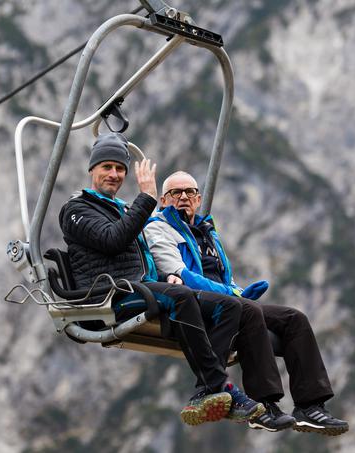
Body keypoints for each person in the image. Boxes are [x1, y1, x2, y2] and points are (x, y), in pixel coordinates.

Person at [58, 133, 264, 426]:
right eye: (106, 167)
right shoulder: (77, 210)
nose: (114, 174)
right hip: (109, 294)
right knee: (180, 298)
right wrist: (147, 198)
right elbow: (113, 240)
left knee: (228, 305)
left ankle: (207, 390)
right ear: (92, 169)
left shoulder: (122, 209)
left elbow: (141, 252)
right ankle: (220, 387)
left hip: (139, 285)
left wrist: (167, 274)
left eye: (120, 169)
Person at [144, 170, 350, 436]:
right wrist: (233, 294)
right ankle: (266, 404)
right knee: (247, 309)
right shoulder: (159, 227)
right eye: (176, 193)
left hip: (227, 299)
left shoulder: (206, 231)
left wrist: (236, 290)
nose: (184, 197)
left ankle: (310, 406)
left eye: (190, 192)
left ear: (198, 198)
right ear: (163, 200)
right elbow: (181, 274)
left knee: (294, 319)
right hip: (195, 302)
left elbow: (222, 275)